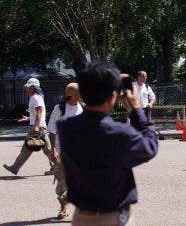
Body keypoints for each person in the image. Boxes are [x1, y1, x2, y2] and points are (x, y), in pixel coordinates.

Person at [57, 61, 158, 225]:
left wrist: (104, 83)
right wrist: (137, 109)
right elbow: (149, 147)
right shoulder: (118, 132)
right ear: (113, 96)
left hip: (81, 217)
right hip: (114, 217)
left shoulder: (66, 127)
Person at [47, 83, 83, 220]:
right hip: (62, 151)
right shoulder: (60, 108)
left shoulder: (83, 108)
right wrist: (53, 150)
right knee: (61, 184)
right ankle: (64, 206)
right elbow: (52, 129)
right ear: (73, 95)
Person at [3, 78, 53, 176]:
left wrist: (36, 126)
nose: (26, 88)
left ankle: (59, 167)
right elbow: (36, 114)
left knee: (47, 149)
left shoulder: (35, 97)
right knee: (27, 148)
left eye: (27, 87)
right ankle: (15, 167)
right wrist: (29, 118)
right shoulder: (35, 97)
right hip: (35, 126)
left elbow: (40, 111)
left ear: (33, 87)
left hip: (39, 127)